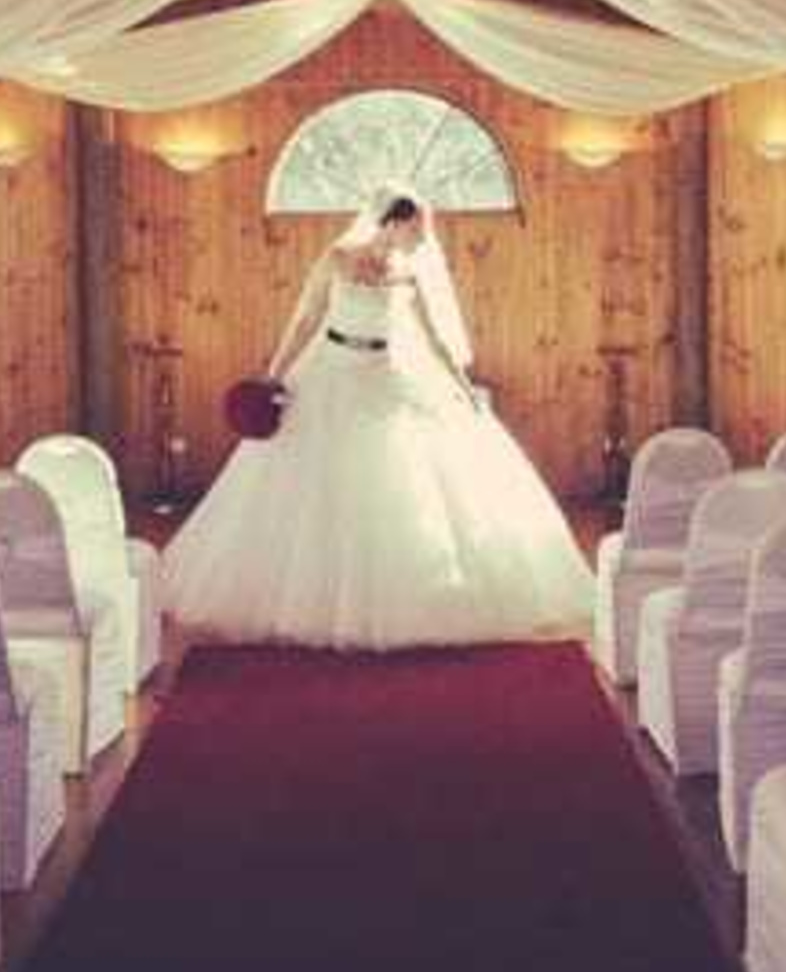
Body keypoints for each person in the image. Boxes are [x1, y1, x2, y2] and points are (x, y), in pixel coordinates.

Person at [162, 183, 593, 649]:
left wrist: (463, 386)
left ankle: (412, 600)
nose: (424, 238)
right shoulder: (337, 259)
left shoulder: (409, 274)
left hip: (387, 373)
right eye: (417, 227)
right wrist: (274, 376)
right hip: (329, 372)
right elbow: (306, 318)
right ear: (391, 221)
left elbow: (433, 338)